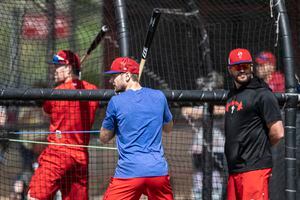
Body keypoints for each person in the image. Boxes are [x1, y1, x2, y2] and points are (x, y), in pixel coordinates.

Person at [27, 50, 99, 200]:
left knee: (34, 196)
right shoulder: (92, 90)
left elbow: (46, 111)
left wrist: (57, 89)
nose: (55, 69)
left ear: (68, 68)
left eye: (58, 66)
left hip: (58, 153)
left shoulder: (56, 92)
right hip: (80, 156)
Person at [100, 57, 174, 200]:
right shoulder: (159, 96)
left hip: (129, 173)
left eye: (114, 76)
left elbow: (103, 138)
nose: (111, 80)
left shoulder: (116, 101)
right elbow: (168, 128)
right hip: (157, 173)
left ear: (127, 75)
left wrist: (117, 125)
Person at [225, 48, 284, 200]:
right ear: (230, 70)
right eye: (237, 67)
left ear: (251, 67)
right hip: (234, 170)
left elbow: (278, 132)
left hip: (254, 169)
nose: (242, 70)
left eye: (245, 66)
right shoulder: (232, 95)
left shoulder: (263, 94)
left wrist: (259, 146)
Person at [181, 71, 226, 200]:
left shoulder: (222, 102)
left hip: (218, 147)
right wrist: (201, 111)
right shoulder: (199, 102)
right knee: (200, 176)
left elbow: (223, 110)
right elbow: (186, 111)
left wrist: (204, 111)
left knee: (216, 178)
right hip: (200, 147)